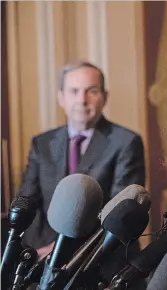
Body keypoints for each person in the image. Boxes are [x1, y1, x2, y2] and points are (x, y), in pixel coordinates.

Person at [16, 61, 146, 287]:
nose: (81, 100)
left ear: (104, 96)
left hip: (104, 264)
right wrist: (40, 250)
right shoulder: (42, 144)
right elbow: (28, 203)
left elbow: (118, 214)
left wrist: (62, 251)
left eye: (91, 91)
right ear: (61, 98)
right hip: (44, 260)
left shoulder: (126, 142)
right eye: (74, 91)